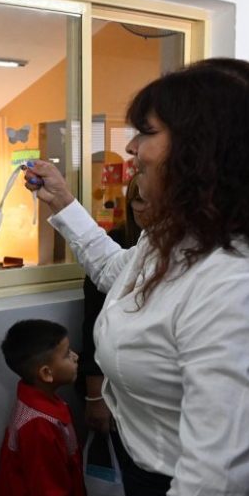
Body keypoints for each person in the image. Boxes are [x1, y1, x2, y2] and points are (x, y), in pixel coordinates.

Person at [23, 58, 249, 496]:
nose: (130, 148)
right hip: (148, 471)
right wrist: (63, 201)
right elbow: (114, 272)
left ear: (203, 150)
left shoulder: (239, 284)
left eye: (145, 132)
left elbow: (214, 493)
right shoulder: (174, 239)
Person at [0, 319, 86, 496]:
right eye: (67, 354)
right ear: (46, 373)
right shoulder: (39, 425)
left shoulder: (42, 403)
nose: (76, 357)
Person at [80, 176, 147, 434]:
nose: (141, 208)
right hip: (116, 386)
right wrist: (95, 396)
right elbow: (94, 324)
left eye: (147, 200)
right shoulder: (121, 241)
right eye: (137, 200)